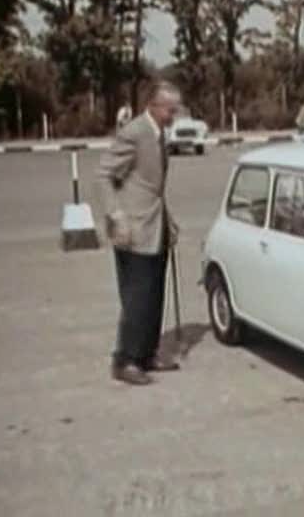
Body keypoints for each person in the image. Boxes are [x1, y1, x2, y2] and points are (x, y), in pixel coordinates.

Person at [96, 81, 182, 385]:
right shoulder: (134, 132)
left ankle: (147, 353)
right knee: (136, 296)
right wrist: (115, 214)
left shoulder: (158, 134)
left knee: (154, 292)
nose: (174, 116)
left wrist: (167, 220)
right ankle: (125, 359)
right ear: (155, 106)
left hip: (154, 225)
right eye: (171, 110)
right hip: (132, 229)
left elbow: (152, 186)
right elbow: (104, 174)